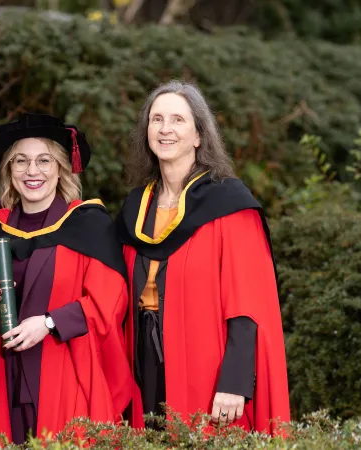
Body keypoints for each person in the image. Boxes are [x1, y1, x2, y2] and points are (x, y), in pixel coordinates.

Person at [116, 80, 290, 435]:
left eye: (178, 120)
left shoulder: (229, 205)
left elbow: (249, 303)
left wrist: (236, 381)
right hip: (142, 358)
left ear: (199, 135)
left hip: (205, 363)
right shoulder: (136, 207)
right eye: (156, 119)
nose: (165, 129)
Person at [0, 113, 134, 444]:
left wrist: (49, 323)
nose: (32, 171)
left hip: (67, 371)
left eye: (44, 160)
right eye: (21, 162)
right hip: (6, 374)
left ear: (60, 168)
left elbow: (109, 301)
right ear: (8, 171)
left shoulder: (87, 225)